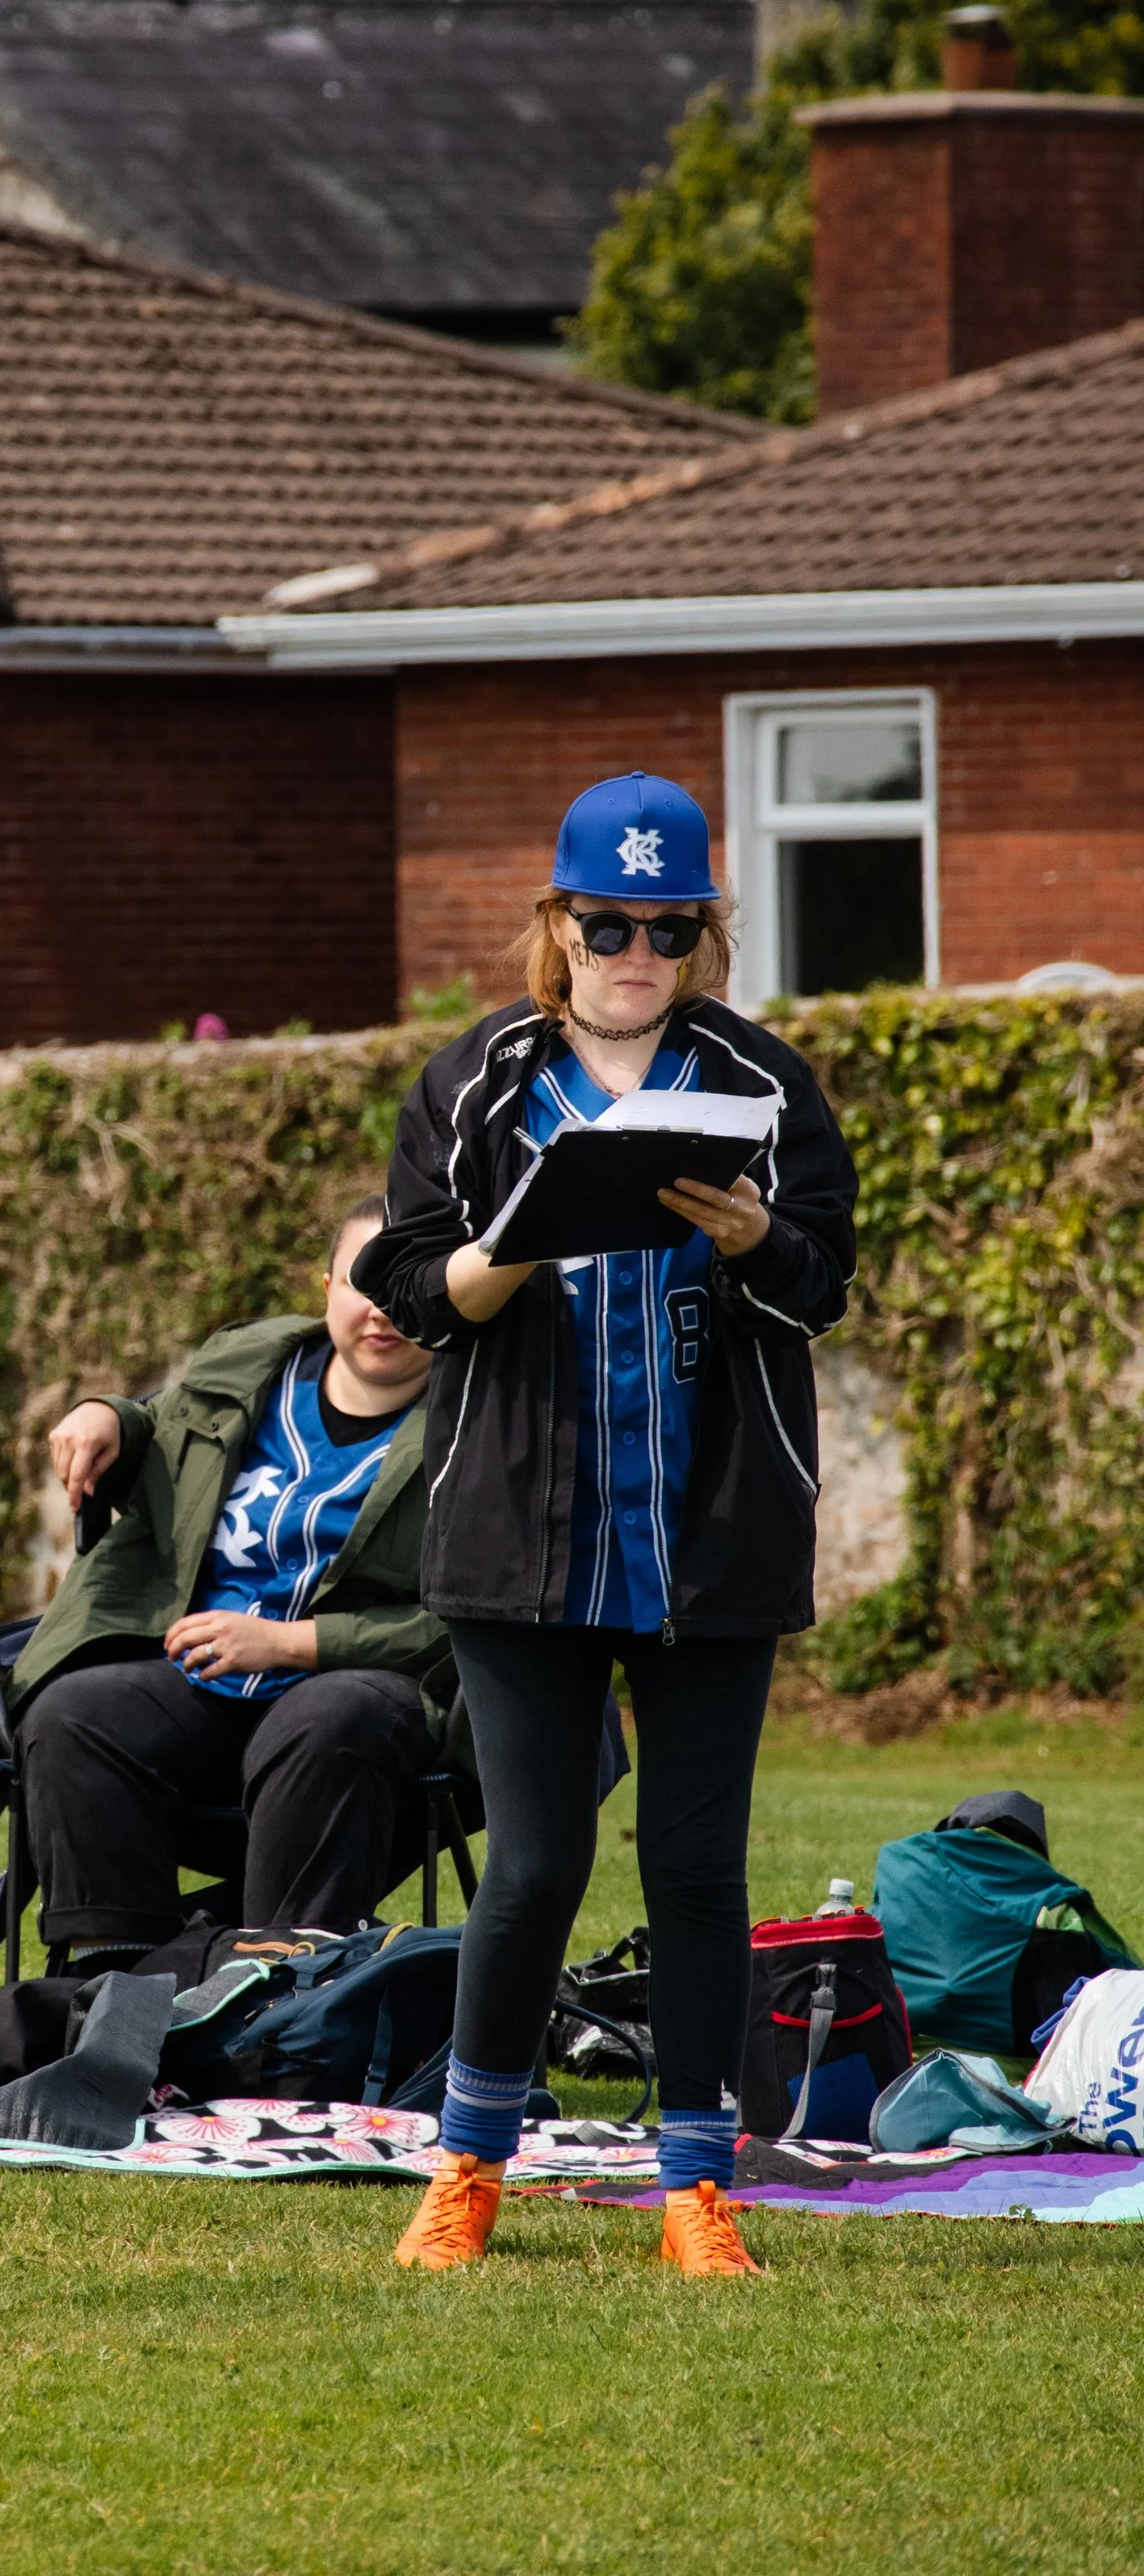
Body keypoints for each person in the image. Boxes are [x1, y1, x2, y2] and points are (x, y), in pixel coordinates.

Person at [355, 771, 857, 2280]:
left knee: (697, 1865)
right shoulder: (476, 1081)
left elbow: (824, 1276)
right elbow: (409, 1278)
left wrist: (760, 1236)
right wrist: (507, 1253)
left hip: (711, 1532)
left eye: (668, 923)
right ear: (556, 924)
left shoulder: (763, 1082)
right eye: (606, 921)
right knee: (535, 1865)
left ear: (704, 932)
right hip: (520, 1534)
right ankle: (468, 2168)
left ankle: (698, 2190)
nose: (635, 949)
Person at [0, 1199, 458, 1952]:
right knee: (74, 1714)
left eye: (408, 1285)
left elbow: (471, 1616)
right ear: (326, 1287)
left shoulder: (484, 1419)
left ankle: (276, 1996)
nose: (382, 1310)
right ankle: (116, 1988)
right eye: (363, 1281)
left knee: (328, 1720)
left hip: (367, 1688)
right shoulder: (250, 1366)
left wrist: (289, 1644)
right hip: (203, 1678)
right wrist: (105, 1414)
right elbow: (160, 1424)